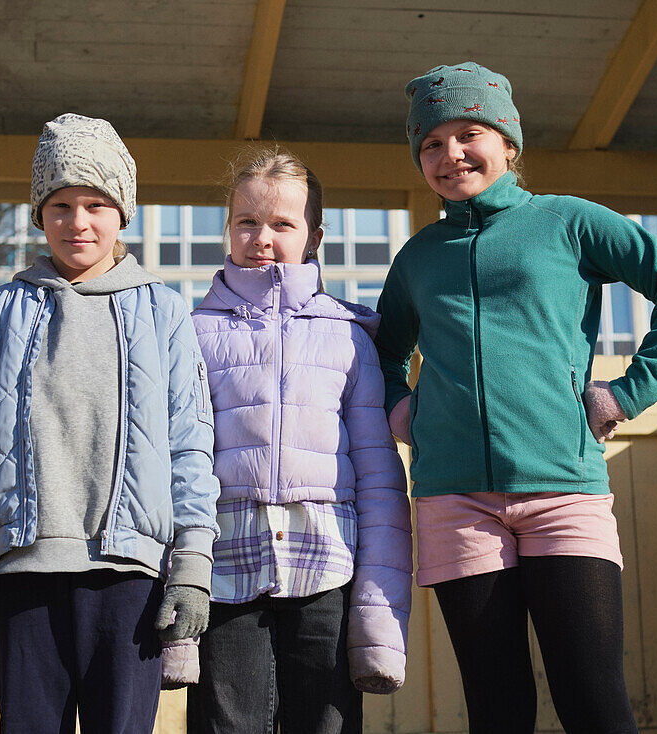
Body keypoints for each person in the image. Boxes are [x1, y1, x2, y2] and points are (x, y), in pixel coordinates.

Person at [374, 63, 657, 734]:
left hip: (564, 490)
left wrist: (629, 393)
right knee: (496, 705)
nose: (451, 156)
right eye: (431, 145)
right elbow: (385, 351)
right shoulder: (417, 257)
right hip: (455, 501)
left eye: (469, 134)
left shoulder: (568, 223)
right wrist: (401, 408)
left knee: (592, 697)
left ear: (507, 143)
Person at [0, 113, 220, 734]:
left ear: (123, 212)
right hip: (24, 573)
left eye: (95, 203)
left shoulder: (164, 314)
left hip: (129, 578)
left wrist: (193, 565)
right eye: (59, 205)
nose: (78, 222)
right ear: (39, 215)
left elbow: (191, 448)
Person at [185, 149, 413, 734]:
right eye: (247, 222)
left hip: (327, 565)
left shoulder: (349, 336)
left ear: (314, 235)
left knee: (326, 722)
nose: (262, 237)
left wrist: (381, 608)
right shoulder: (191, 335)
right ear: (229, 229)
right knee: (224, 723)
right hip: (223, 566)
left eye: (283, 224)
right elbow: (176, 465)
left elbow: (379, 477)